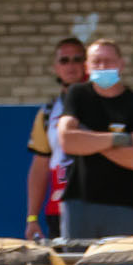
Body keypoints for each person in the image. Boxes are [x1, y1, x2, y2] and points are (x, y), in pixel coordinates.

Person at [52, 39, 133, 241]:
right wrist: (117, 139)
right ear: (87, 67)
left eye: (108, 61)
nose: (102, 66)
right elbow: (67, 141)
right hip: (78, 203)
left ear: (121, 64)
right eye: (96, 62)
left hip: (123, 206)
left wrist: (87, 139)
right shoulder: (78, 94)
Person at [23, 36, 86, 240]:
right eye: (64, 60)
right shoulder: (48, 113)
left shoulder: (105, 105)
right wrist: (32, 218)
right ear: (55, 67)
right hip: (59, 210)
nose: (71, 65)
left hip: (100, 208)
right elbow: (40, 166)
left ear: (87, 64)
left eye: (77, 59)